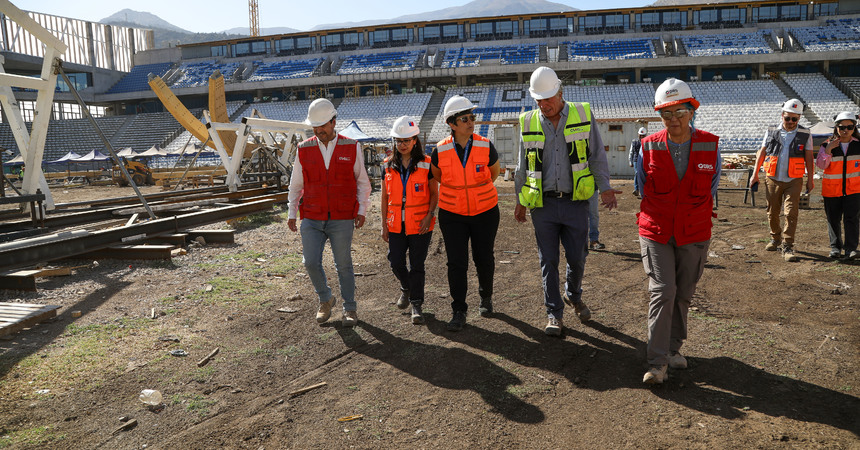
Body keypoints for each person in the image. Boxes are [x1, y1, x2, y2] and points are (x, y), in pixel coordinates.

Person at [514, 66, 619, 337]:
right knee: (548, 260)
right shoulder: (527, 121)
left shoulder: (583, 114)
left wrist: (605, 188)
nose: (543, 105)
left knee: (578, 256)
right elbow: (522, 166)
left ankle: (573, 293)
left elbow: (596, 154)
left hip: (576, 202)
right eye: (539, 100)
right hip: (543, 205)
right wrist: (519, 201)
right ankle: (554, 313)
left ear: (561, 93)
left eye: (548, 99)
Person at [635, 78, 721, 384]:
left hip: (695, 232)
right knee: (663, 291)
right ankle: (657, 362)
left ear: (692, 110)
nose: (673, 120)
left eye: (679, 112)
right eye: (666, 114)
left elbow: (712, 188)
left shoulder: (710, 145)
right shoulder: (648, 146)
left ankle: (673, 349)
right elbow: (641, 186)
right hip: (656, 230)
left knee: (683, 294)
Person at [287, 98, 372, 327]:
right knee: (310, 262)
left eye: (323, 125)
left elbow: (363, 182)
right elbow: (296, 185)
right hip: (312, 216)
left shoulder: (351, 146)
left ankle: (350, 308)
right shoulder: (303, 149)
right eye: (315, 126)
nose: (319, 130)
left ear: (334, 122)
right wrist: (291, 212)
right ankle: (326, 299)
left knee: (343, 263)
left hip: (342, 217)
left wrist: (362, 209)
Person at [431, 95, 501, 332]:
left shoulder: (485, 145)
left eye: (472, 117)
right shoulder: (439, 151)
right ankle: (459, 309)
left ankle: (486, 297)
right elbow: (438, 176)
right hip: (453, 215)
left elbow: (494, 174)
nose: (471, 122)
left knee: (484, 257)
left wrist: (474, 193)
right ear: (452, 123)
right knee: (456, 263)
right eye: (465, 118)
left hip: (485, 212)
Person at [381, 116, 438, 324]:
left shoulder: (427, 163)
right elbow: (385, 197)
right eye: (398, 141)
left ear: (415, 140)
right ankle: (406, 287)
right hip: (395, 223)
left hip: (420, 224)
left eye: (406, 140)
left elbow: (434, 194)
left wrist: (429, 216)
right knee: (395, 261)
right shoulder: (387, 165)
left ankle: (416, 304)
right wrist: (383, 225)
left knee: (417, 265)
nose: (402, 145)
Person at [749, 99, 815, 262]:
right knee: (772, 212)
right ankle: (775, 238)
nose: (791, 122)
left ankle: (788, 245)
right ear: (782, 115)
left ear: (799, 118)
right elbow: (762, 153)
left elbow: (809, 158)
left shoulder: (805, 134)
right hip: (772, 178)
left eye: (795, 119)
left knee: (791, 212)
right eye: (788, 118)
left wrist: (810, 179)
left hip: (794, 180)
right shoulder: (771, 131)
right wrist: (755, 174)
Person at [816, 111, 860, 260]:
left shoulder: (859, 145)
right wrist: (828, 150)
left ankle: (851, 249)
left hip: (854, 190)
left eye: (849, 127)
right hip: (831, 190)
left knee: (852, 219)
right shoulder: (826, 145)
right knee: (833, 219)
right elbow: (821, 165)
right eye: (842, 127)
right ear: (836, 128)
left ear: (854, 128)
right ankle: (835, 248)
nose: (845, 130)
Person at [629, 127, 648, 198]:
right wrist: (630, 161)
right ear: (638, 134)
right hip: (636, 160)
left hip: (645, 160)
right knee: (637, 173)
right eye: (640, 135)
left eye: (643, 136)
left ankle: (642, 190)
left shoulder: (647, 142)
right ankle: (636, 189)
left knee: (643, 174)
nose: (642, 137)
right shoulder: (634, 141)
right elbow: (631, 151)